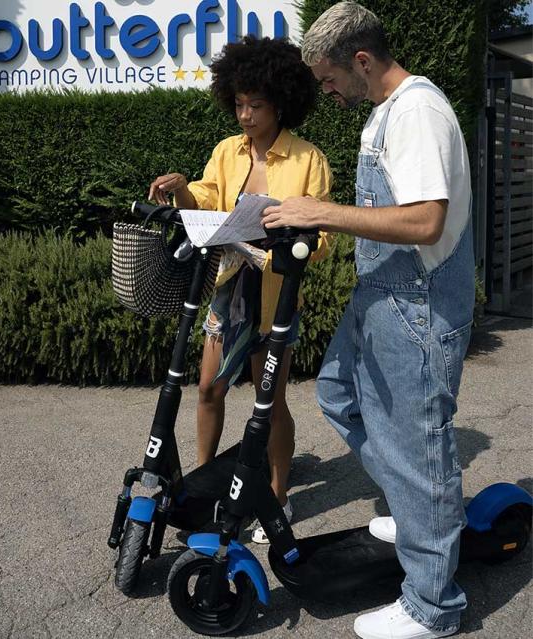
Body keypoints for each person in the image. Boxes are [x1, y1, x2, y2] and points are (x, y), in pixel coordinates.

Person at [262, 3, 474, 637]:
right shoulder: (387, 112)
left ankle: (433, 607)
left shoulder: (416, 112)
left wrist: (322, 212)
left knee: (417, 444)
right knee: (336, 393)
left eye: (330, 79)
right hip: (381, 295)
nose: (326, 92)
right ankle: (422, 509)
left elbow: (424, 221)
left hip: (418, 302)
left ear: (362, 60)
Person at [148, 36, 333, 544]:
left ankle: (277, 491)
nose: (246, 115)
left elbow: (321, 237)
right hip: (229, 288)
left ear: (281, 102)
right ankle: (205, 485)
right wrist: (181, 188)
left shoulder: (308, 159)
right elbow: (207, 199)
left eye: (256, 105)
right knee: (208, 388)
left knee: (269, 404)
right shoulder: (226, 151)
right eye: (238, 104)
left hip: (276, 293)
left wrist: (284, 244)